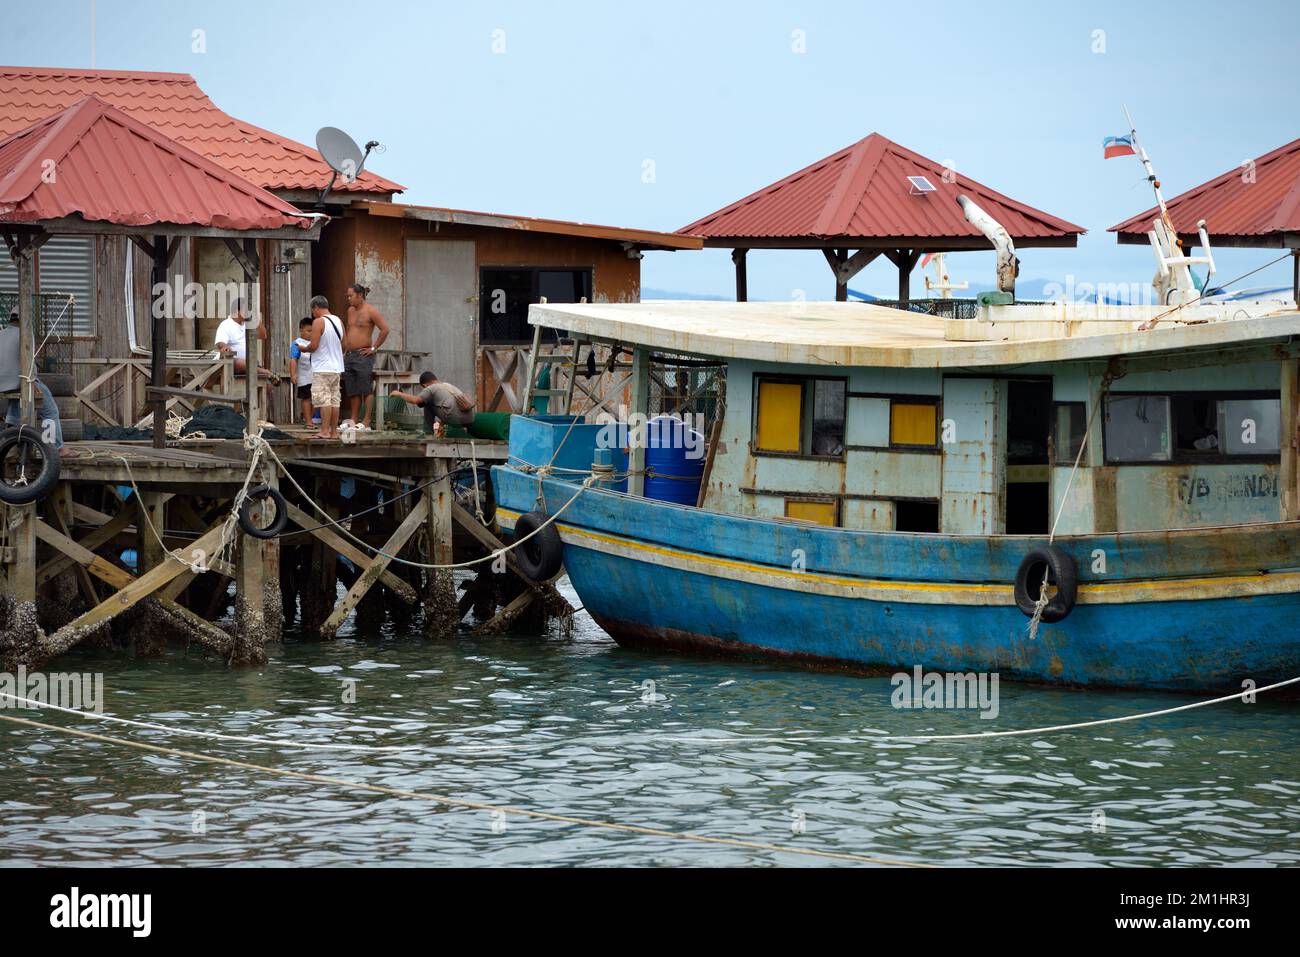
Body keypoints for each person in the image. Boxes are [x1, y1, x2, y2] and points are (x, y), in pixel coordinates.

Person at [0, 308, 69, 455]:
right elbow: (29, 365)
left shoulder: (1, 334)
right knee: (50, 411)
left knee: (14, 406)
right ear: (25, 319)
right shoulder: (26, 335)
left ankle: (8, 443)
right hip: (22, 382)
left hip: (3, 385)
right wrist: (33, 382)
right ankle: (55, 448)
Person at [341, 283, 389, 431]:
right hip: (349, 354)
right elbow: (350, 330)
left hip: (363, 354)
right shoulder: (350, 310)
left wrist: (374, 348)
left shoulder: (371, 311)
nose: (348, 298)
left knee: (365, 388)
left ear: (359, 295)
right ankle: (354, 419)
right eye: (347, 296)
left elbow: (385, 329)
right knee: (352, 389)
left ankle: (366, 421)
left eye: (351, 296)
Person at [300, 295, 346, 440]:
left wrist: (304, 349)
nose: (313, 313)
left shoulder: (319, 322)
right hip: (336, 367)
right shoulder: (338, 321)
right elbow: (345, 345)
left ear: (316, 307)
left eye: (312, 310)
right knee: (334, 400)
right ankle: (334, 432)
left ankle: (324, 431)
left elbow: (313, 346)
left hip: (322, 367)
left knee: (324, 400)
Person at [391, 371, 474, 437]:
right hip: (469, 420)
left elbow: (415, 400)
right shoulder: (447, 385)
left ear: (424, 385)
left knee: (426, 402)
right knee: (435, 402)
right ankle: (468, 431)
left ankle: (427, 433)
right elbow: (450, 406)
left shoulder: (432, 388)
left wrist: (399, 394)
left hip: (456, 420)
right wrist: (442, 423)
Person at [213, 298, 269, 375]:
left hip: (250, 363)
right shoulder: (226, 324)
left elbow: (263, 335)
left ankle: (260, 370)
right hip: (234, 365)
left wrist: (255, 317)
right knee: (238, 362)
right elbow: (220, 343)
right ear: (237, 311)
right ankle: (261, 371)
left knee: (268, 384)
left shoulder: (248, 324)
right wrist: (225, 347)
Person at [288, 317, 316, 427]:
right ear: (301, 330)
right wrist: (293, 374)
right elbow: (293, 359)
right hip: (304, 377)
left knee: (316, 400)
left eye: (313, 331)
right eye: (309, 331)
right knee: (306, 398)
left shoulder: (315, 342)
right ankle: (308, 421)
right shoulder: (297, 343)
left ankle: (309, 418)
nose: (311, 333)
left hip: (316, 376)